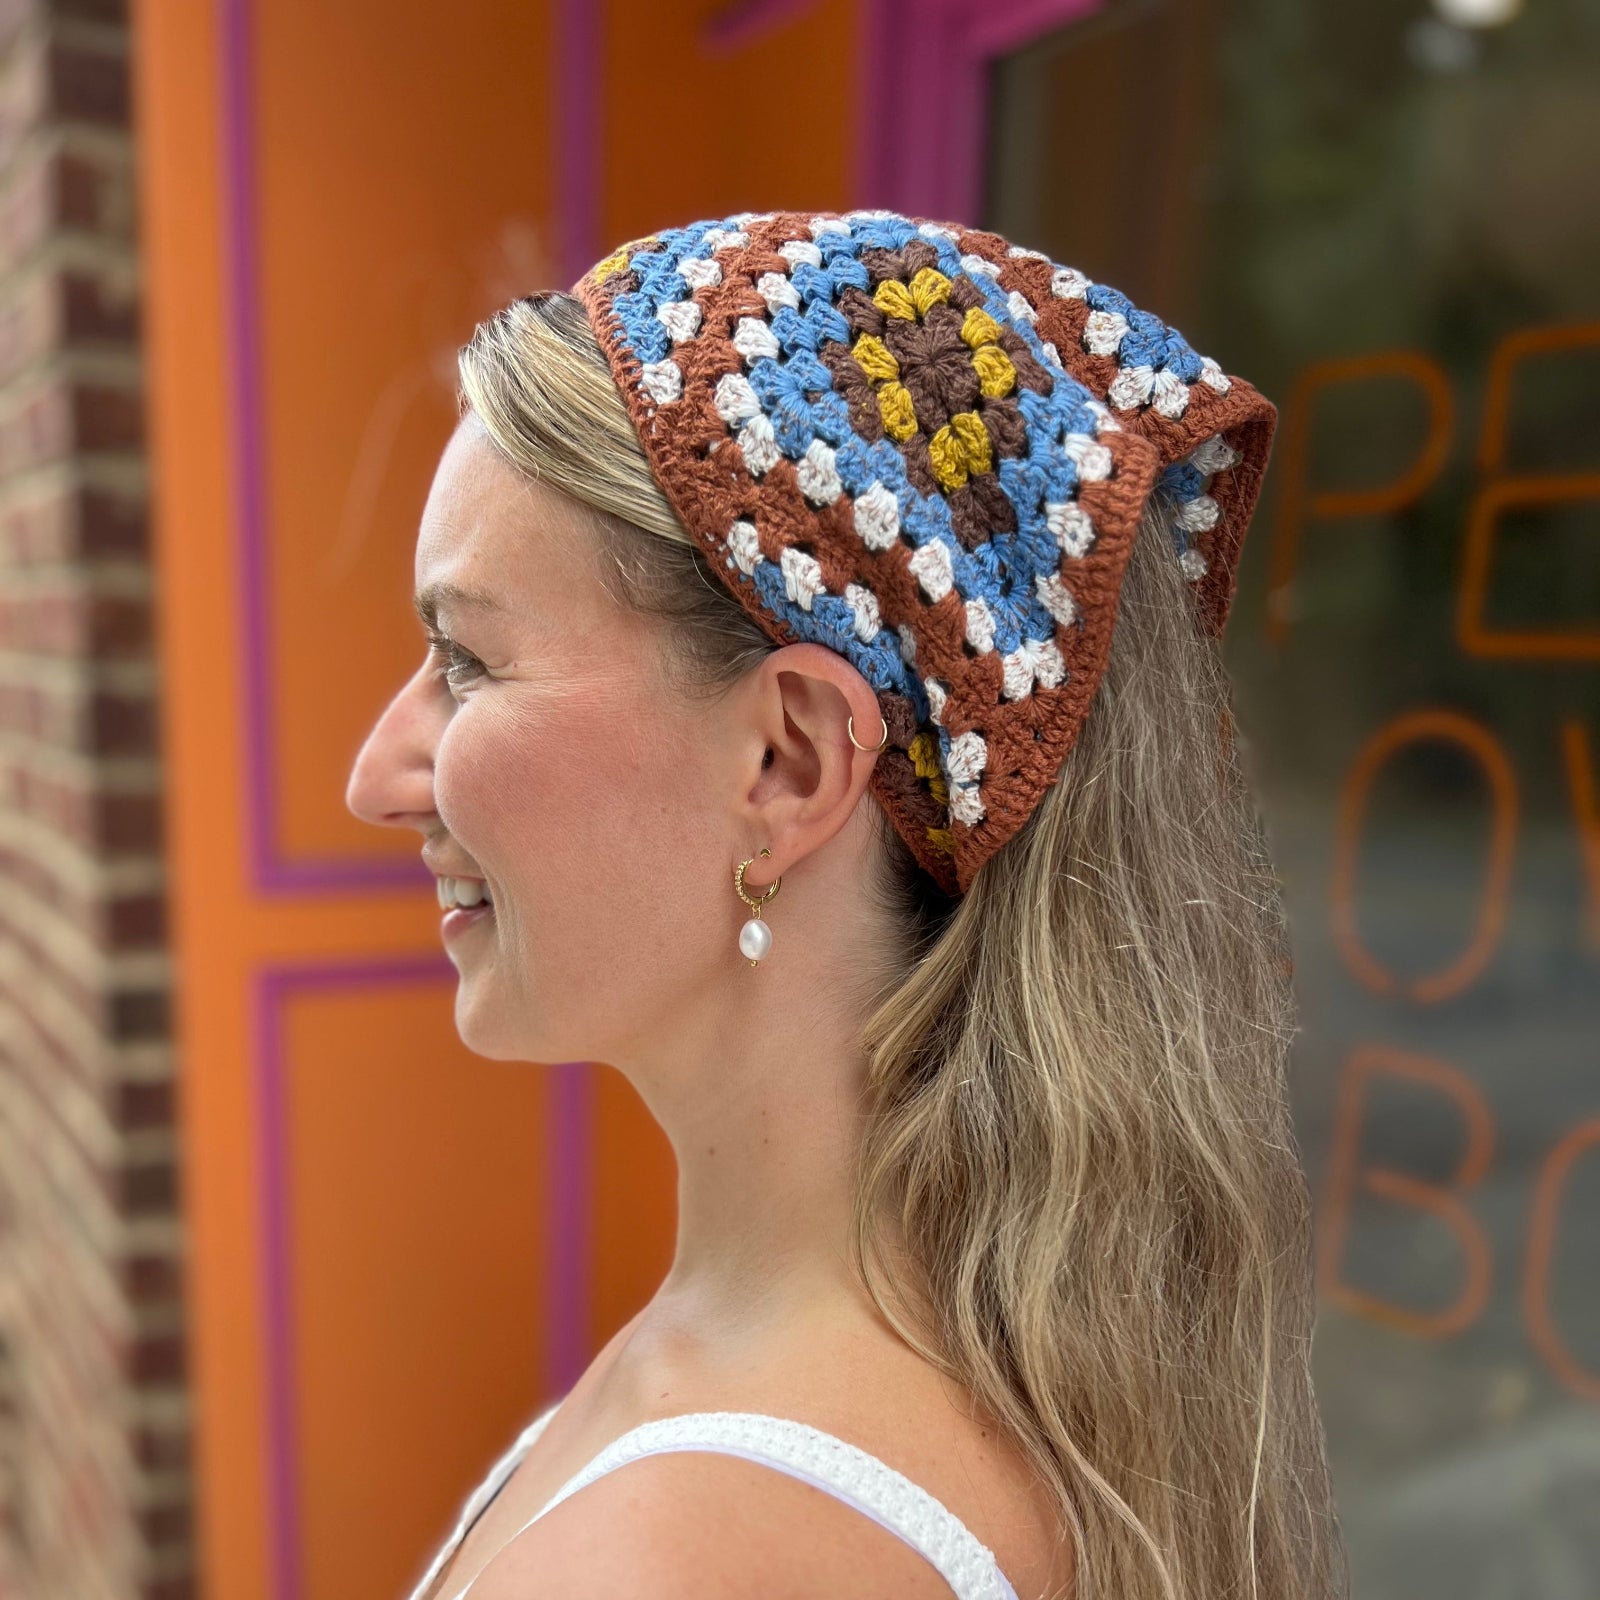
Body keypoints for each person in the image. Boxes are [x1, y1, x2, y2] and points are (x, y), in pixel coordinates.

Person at [345, 209, 1347, 1600]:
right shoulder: (1020, 1386)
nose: (376, 777)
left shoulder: (673, 1560)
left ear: (789, 762)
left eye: (466, 660)